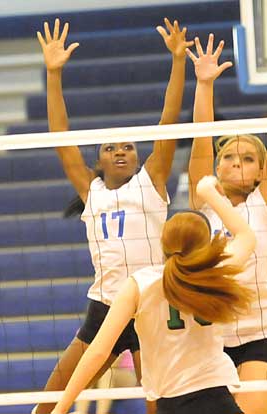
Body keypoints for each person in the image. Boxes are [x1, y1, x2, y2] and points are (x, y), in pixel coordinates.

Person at [34, 17, 193, 414]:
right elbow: (59, 135)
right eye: (110, 148)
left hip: (151, 305)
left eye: (127, 146)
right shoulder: (92, 190)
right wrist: (53, 74)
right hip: (106, 305)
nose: (121, 151)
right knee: (57, 392)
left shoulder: (152, 181)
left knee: (160, 400)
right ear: (98, 160)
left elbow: (168, 123)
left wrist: (178, 62)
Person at [49, 175, 257, 414]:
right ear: (206, 246)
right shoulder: (215, 273)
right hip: (218, 400)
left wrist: (60, 409)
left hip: (171, 405)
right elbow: (246, 236)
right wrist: (209, 192)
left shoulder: (140, 283)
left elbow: (97, 351)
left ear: (163, 243)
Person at [186, 34, 267, 414]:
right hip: (207, 340)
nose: (238, 162)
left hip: (262, 338)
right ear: (217, 167)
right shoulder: (203, 202)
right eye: (229, 156)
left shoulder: (265, 205)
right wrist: (204, 84)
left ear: (259, 173)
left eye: (249, 158)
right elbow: (200, 140)